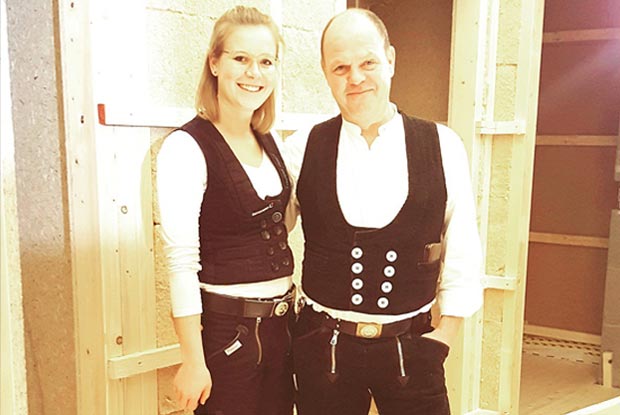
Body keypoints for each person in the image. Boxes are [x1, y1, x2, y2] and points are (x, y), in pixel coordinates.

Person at [283, 8, 483, 415]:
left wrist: (444, 336)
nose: (355, 78)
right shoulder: (300, 149)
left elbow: (462, 246)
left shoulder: (442, 145)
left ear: (390, 59)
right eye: (340, 67)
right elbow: (264, 242)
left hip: (414, 349)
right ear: (325, 73)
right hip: (323, 350)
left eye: (368, 62)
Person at [156, 6, 295, 415]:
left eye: (266, 61)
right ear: (215, 63)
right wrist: (193, 361)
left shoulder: (272, 142)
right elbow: (182, 261)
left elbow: (280, 225)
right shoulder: (186, 147)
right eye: (241, 58)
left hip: (282, 329)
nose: (254, 72)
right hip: (227, 336)